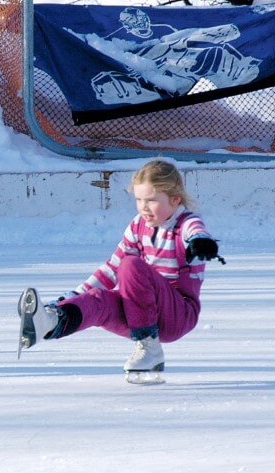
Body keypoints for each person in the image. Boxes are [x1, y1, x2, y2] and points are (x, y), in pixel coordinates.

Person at [17, 159, 222, 383]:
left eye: (152, 200)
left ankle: (148, 344)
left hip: (178, 314)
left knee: (131, 265)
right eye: (138, 199)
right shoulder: (138, 225)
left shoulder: (185, 223)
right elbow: (111, 269)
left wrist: (200, 242)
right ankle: (52, 320)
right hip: (144, 312)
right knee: (99, 300)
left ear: (175, 199)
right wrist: (69, 298)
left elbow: (196, 230)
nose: (144, 207)